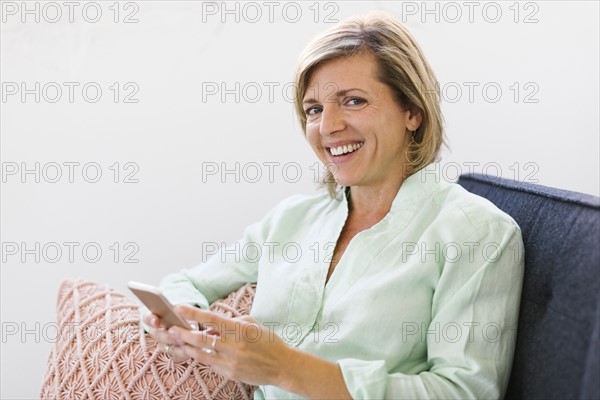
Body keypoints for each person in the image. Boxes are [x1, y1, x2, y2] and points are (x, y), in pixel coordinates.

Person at [144, 12, 524, 399]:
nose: (327, 126)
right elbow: (184, 283)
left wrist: (285, 368)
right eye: (313, 109)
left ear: (413, 112)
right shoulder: (291, 220)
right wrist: (184, 323)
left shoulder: (476, 232)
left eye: (353, 101)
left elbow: (464, 392)